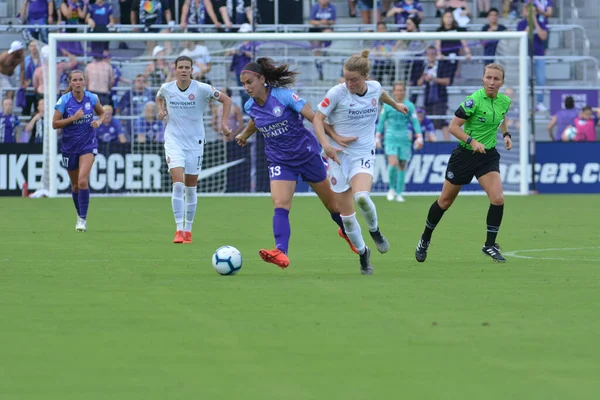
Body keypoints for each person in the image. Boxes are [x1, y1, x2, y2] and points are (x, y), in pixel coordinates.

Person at [234, 57, 360, 270]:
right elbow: (256, 119)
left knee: (333, 206)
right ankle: (281, 252)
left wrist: (333, 138)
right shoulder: (249, 105)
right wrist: (245, 134)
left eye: (249, 82)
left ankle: (347, 233)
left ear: (262, 79)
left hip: (307, 155)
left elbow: (314, 118)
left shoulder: (283, 96)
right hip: (280, 160)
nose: (246, 87)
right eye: (243, 83)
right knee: (280, 204)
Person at [313, 50, 409, 274]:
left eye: (354, 79)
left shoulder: (374, 87)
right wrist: (327, 144)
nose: (349, 83)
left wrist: (395, 105)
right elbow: (317, 119)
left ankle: (375, 230)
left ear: (366, 76)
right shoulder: (337, 93)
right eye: (346, 78)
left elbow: (381, 93)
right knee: (346, 219)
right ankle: (364, 253)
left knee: (362, 197)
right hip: (338, 157)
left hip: (364, 153)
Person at [414, 63, 512, 263]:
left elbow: (502, 117)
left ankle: (489, 245)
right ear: (483, 79)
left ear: (502, 82)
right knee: (444, 202)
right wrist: (472, 141)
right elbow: (453, 127)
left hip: (488, 156)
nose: (492, 82)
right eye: (489, 78)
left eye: (496, 79)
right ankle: (425, 238)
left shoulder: (504, 101)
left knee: (498, 199)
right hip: (465, 155)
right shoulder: (473, 101)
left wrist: (506, 134)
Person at [156, 56, 233, 244]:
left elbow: (227, 100)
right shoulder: (167, 88)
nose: (183, 70)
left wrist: (223, 124)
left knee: (191, 187)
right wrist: (161, 110)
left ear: (192, 70)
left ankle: (188, 230)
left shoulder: (202, 89)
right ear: (174, 69)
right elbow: (159, 97)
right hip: (173, 141)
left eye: (187, 67)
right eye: (180, 67)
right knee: (178, 183)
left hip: (195, 143)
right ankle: (178, 229)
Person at [52, 70, 105, 232]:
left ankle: (82, 219)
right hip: (69, 146)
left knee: (83, 181)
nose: (77, 82)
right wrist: (72, 119)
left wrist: (99, 122)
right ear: (70, 83)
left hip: (88, 144)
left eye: (80, 79)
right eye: (74, 80)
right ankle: (79, 214)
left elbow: (101, 113)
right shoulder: (64, 100)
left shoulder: (92, 98)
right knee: (75, 186)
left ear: (84, 81)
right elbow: (55, 123)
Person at [376, 81, 422, 203]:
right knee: (393, 162)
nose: (399, 92)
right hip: (390, 136)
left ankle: (400, 192)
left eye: (401, 90)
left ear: (404, 92)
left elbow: (415, 122)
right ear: (393, 92)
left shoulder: (410, 106)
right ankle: (391, 189)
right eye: (397, 90)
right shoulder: (387, 105)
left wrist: (419, 136)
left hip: (404, 138)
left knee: (402, 165)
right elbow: (381, 122)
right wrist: (377, 136)